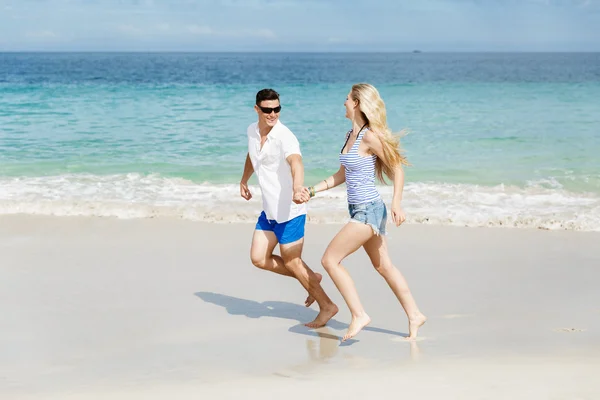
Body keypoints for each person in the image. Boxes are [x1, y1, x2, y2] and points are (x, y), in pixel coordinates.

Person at [304, 83, 426, 341]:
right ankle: (415, 314)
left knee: (330, 260)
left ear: (357, 103)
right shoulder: (350, 135)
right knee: (385, 267)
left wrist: (397, 203)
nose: (344, 103)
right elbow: (341, 175)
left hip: (369, 212)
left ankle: (359, 314)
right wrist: (312, 191)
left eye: (347, 98)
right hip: (362, 210)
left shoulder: (370, 136)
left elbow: (397, 170)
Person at [240, 88, 338, 328]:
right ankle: (311, 277)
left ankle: (327, 306)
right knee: (258, 258)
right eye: (267, 110)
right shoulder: (252, 131)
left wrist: (297, 188)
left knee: (293, 261)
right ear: (257, 110)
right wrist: (243, 180)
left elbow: (296, 162)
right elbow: (253, 156)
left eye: (277, 109)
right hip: (269, 211)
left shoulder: (285, 136)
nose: (273, 114)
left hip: (290, 211)